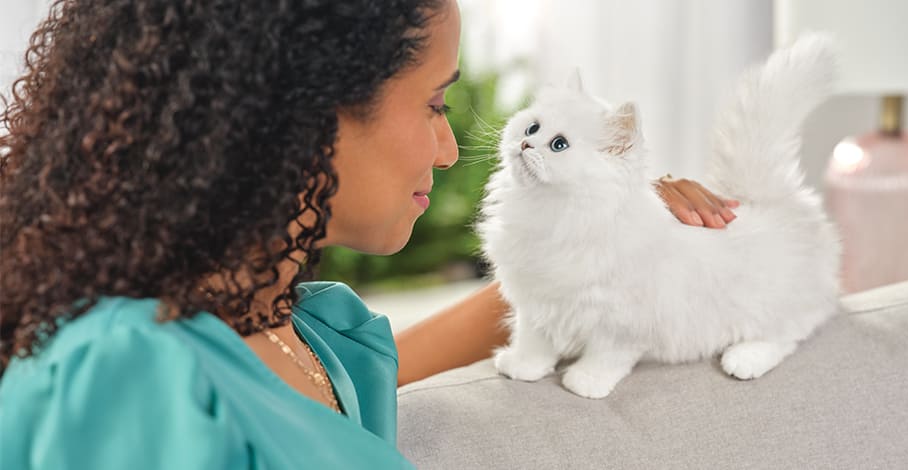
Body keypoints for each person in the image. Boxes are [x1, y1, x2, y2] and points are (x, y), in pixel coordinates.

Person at [0, 0, 738, 467]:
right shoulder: (118, 372)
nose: (448, 150)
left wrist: (616, 234)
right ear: (305, 108)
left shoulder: (318, 332)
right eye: (434, 104)